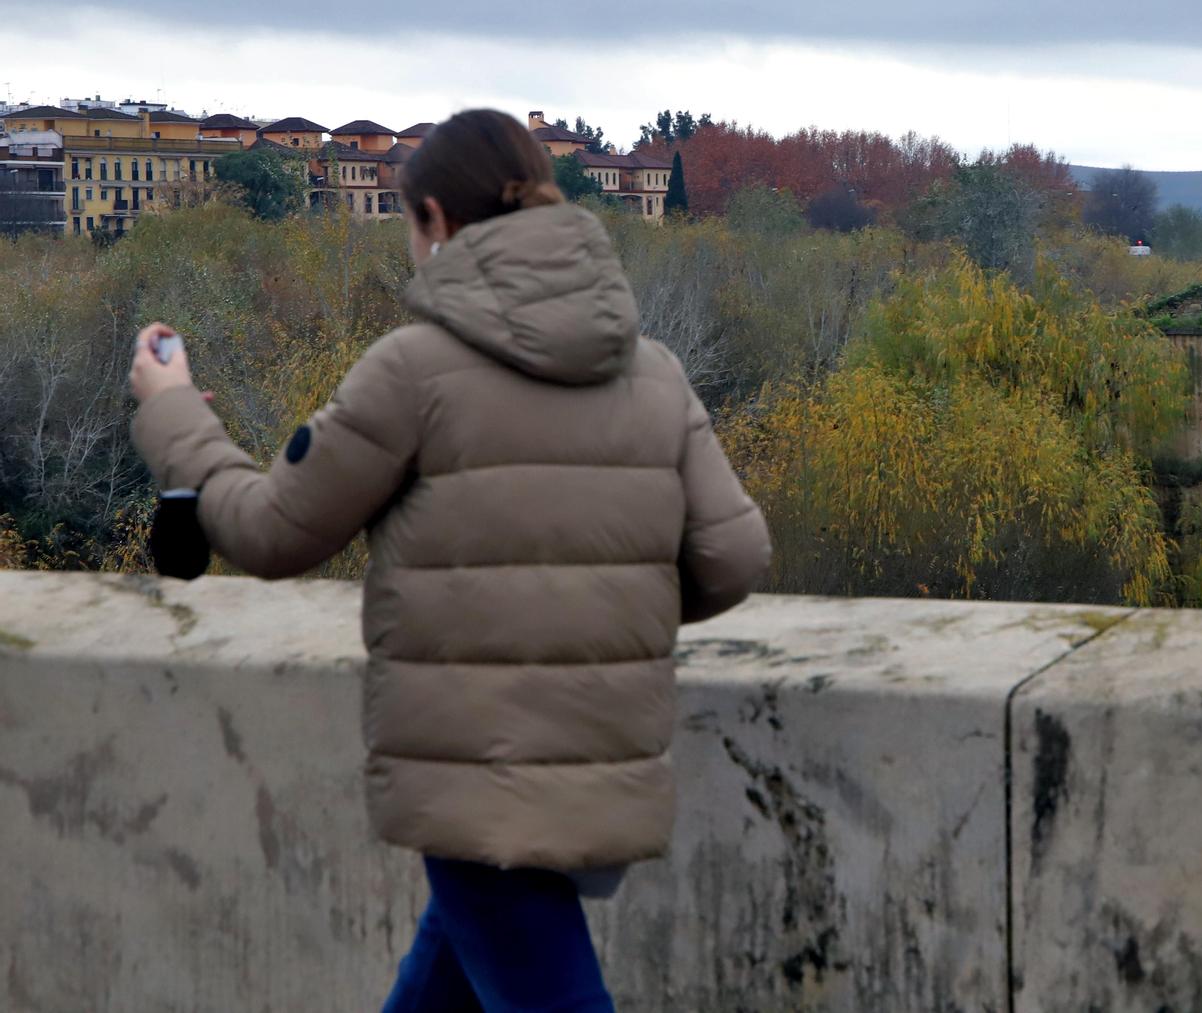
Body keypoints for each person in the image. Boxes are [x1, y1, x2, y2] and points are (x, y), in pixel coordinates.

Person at [127, 108, 771, 1011]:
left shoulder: (415, 370)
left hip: (475, 761)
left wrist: (174, 412)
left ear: (434, 220)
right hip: (604, 745)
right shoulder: (655, 371)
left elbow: (272, 530)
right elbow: (735, 553)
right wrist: (603, 601)